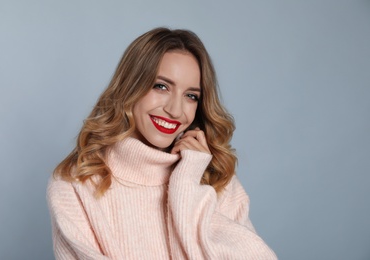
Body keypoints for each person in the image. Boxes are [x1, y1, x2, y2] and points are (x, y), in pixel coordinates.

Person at [47, 27, 277, 259]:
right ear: (130, 87)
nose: (175, 110)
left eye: (191, 96)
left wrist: (187, 184)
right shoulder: (74, 185)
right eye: (161, 86)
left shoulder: (215, 179)